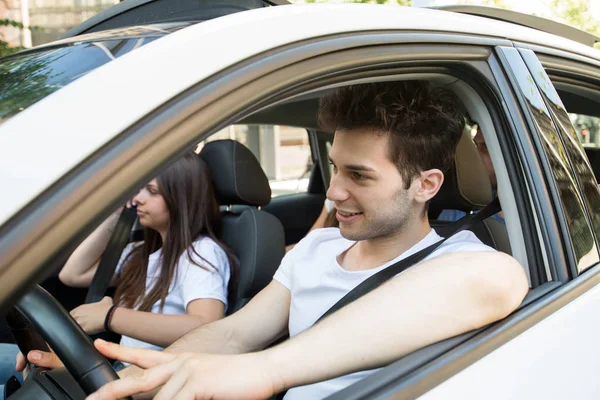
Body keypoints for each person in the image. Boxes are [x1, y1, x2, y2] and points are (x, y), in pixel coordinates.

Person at [24, 81, 528, 400]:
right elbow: (233, 334)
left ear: (426, 185)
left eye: (359, 175)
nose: (333, 192)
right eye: (334, 168)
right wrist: (145, 378)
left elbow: (497, 279)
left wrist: (268, 371)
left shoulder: (459, 260)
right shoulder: (314, 250)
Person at [6, 153, 239, 398]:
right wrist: (116, 212)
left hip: (144, 382)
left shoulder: (201, 252)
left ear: (182, 197)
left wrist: (111, 317)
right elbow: (73, 274)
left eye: (151, 191)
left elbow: (207, 325)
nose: (138, 198)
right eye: (138, 189)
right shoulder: (143, 253)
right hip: (116, 369)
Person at [438, 121, 504, 222]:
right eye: (475, 145)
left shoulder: (524, 211)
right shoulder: (453, 216)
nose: (476, 153)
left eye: (486, 147)